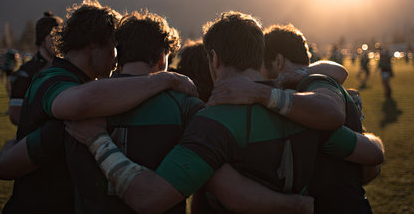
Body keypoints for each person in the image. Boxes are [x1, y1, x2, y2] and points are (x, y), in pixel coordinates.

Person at [67, 12, 384, 213]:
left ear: (214, 59)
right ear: (260, 55)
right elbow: (371, 155)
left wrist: (98, 140)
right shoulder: (306, 109)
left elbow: (150, 198)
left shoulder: (211, 120)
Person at [0, 0, 197, 214]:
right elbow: (77, 104)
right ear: (93, 43)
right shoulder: (55, 79)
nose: (117, 57)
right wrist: (167, 80)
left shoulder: (85, 84)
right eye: (113, 47)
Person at [208, 23, 384, 213]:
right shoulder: (322, 86)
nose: (260, 75)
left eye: (260, 66)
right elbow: (370, 166)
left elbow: (370, 153)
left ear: (278, 60)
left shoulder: (302, 100)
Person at [8, 11, 63, 126]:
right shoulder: (26, 72)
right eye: (54, 36)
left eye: (61, 35)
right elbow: (15, 114)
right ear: (42, 40)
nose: (59, 40)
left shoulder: (65, 66)